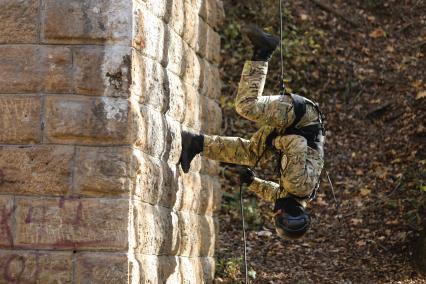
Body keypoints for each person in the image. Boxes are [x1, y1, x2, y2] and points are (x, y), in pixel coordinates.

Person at [179, 25, 325, 239]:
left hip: (296, 126)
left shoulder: (297, 194)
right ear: (286, 212)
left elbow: (273, 192)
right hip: (300, 118)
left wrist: (251, 182)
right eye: (276, 214)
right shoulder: (297, 185)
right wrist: (274, 143)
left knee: (250, 154)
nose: (274, 210)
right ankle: (263, 51)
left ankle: (195, 143)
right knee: (247, 105)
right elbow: (297, 144)